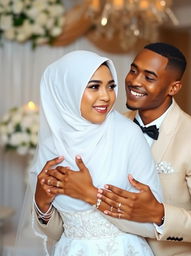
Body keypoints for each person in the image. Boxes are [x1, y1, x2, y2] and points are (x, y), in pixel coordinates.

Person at [35, 43, 191, 255]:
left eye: (149, 77)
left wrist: (159, 214)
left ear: (173, 88)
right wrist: (41, 205)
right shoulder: (107, 124)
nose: (134, 81)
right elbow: (64, 227)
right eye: (133, 70)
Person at [25, 50, 163, 256]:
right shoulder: (51, 146)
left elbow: (155, 220)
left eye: (111, 86)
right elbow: (57, 232)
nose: (106, 96)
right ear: (67, 89)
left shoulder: (128, 135)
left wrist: (90, 193)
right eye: (94, 87)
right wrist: (41, 204)